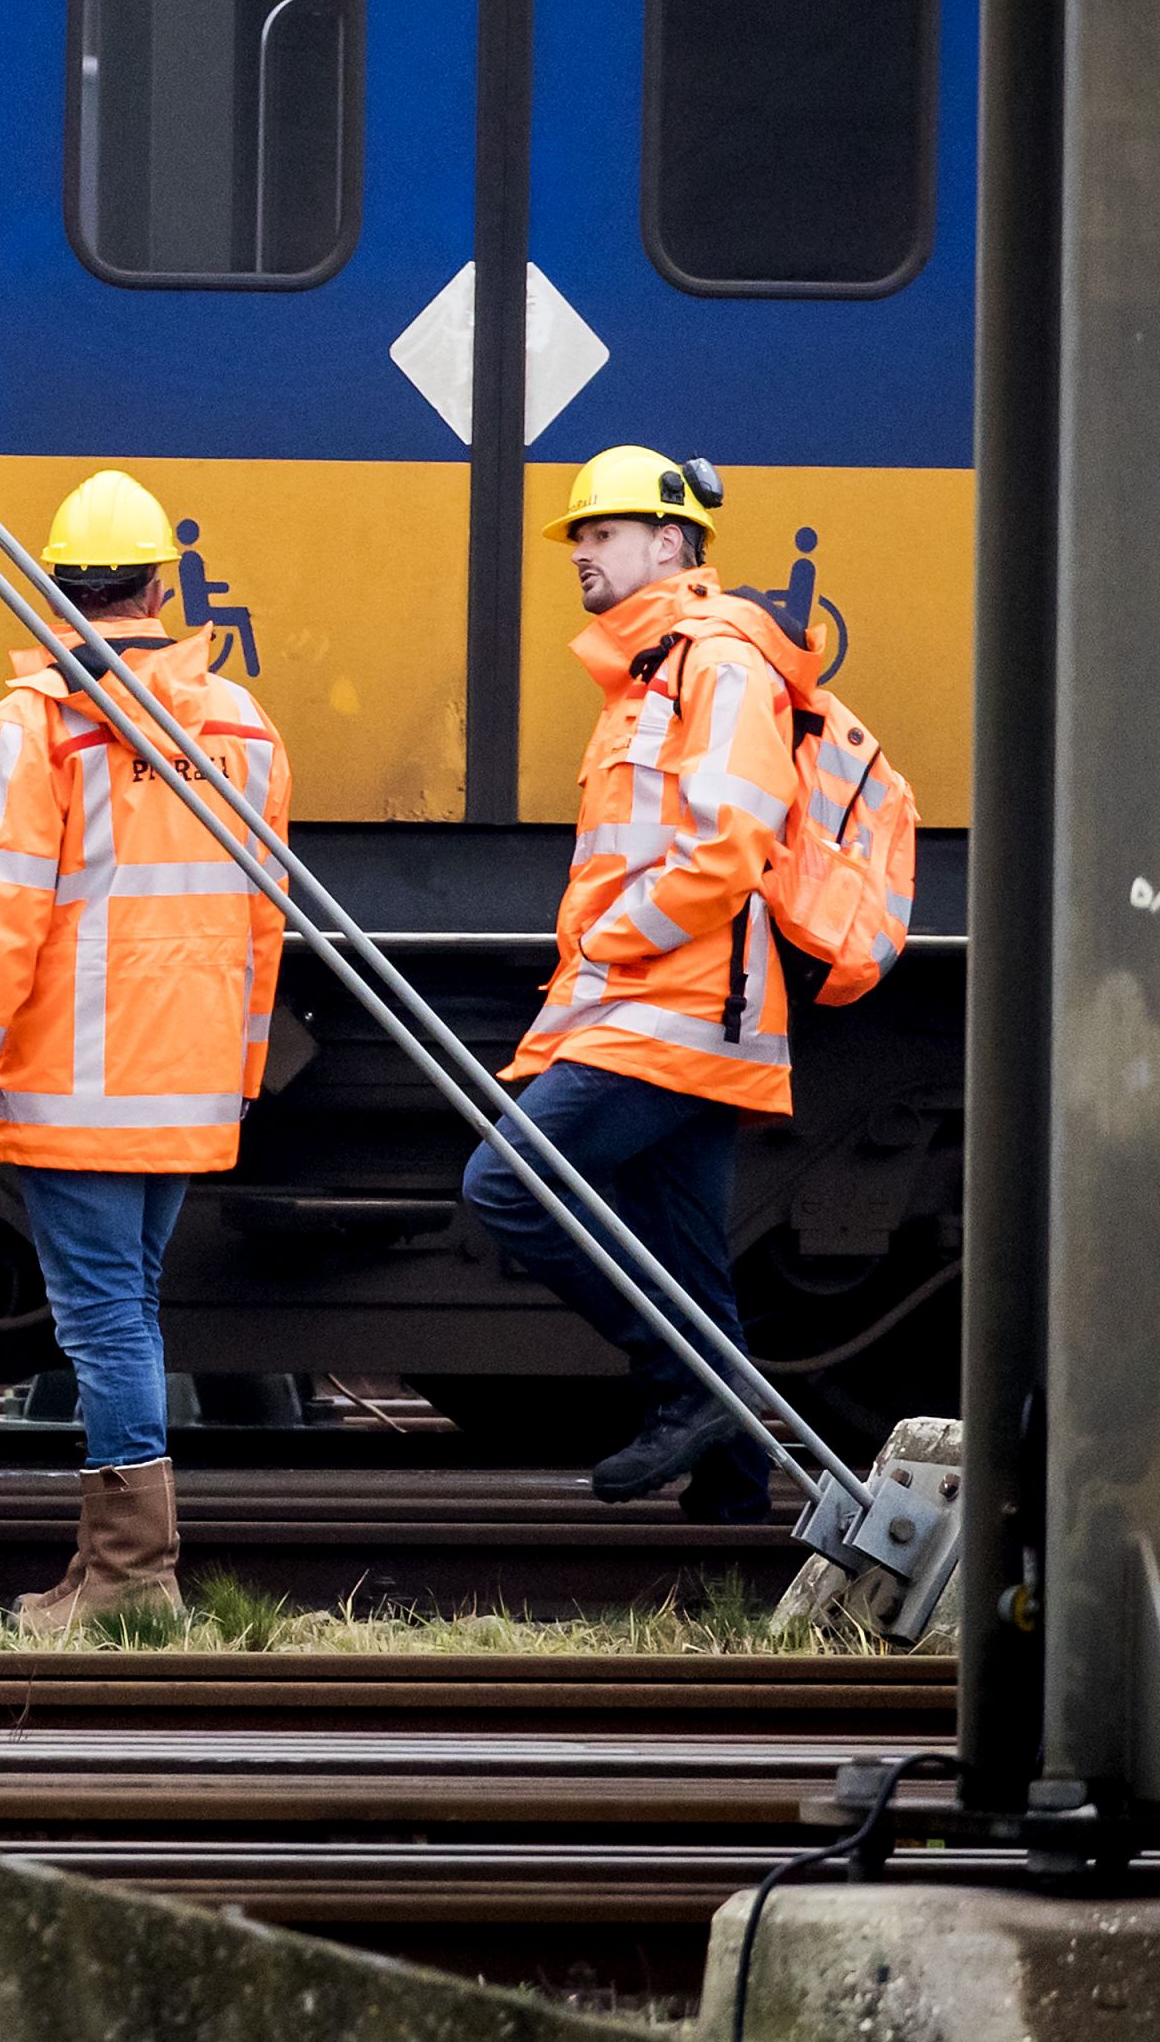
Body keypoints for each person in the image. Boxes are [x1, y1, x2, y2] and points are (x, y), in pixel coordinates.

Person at [0, 471, 288, 1632]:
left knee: (105, 1320)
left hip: (75, 1086)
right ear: (161, 586)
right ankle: (105, 1568)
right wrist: (239, 1065)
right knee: (127, 1307)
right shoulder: (240, 725)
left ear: (52, 593)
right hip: (181, 1081)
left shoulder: (39, 723)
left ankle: (132, 1577)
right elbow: (262, 917)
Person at [464, 446, 817, 1524]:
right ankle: (730, 1538)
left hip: (674, 1011)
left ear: (670, 540)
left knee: (503, 1186)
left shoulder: (717, 662)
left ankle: (689, 1391)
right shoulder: (650, 675)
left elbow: (728, 843)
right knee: (688, 1265)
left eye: (600, 531)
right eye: (577, 534)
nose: (580, 550)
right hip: (661, 1010)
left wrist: (613, 944)